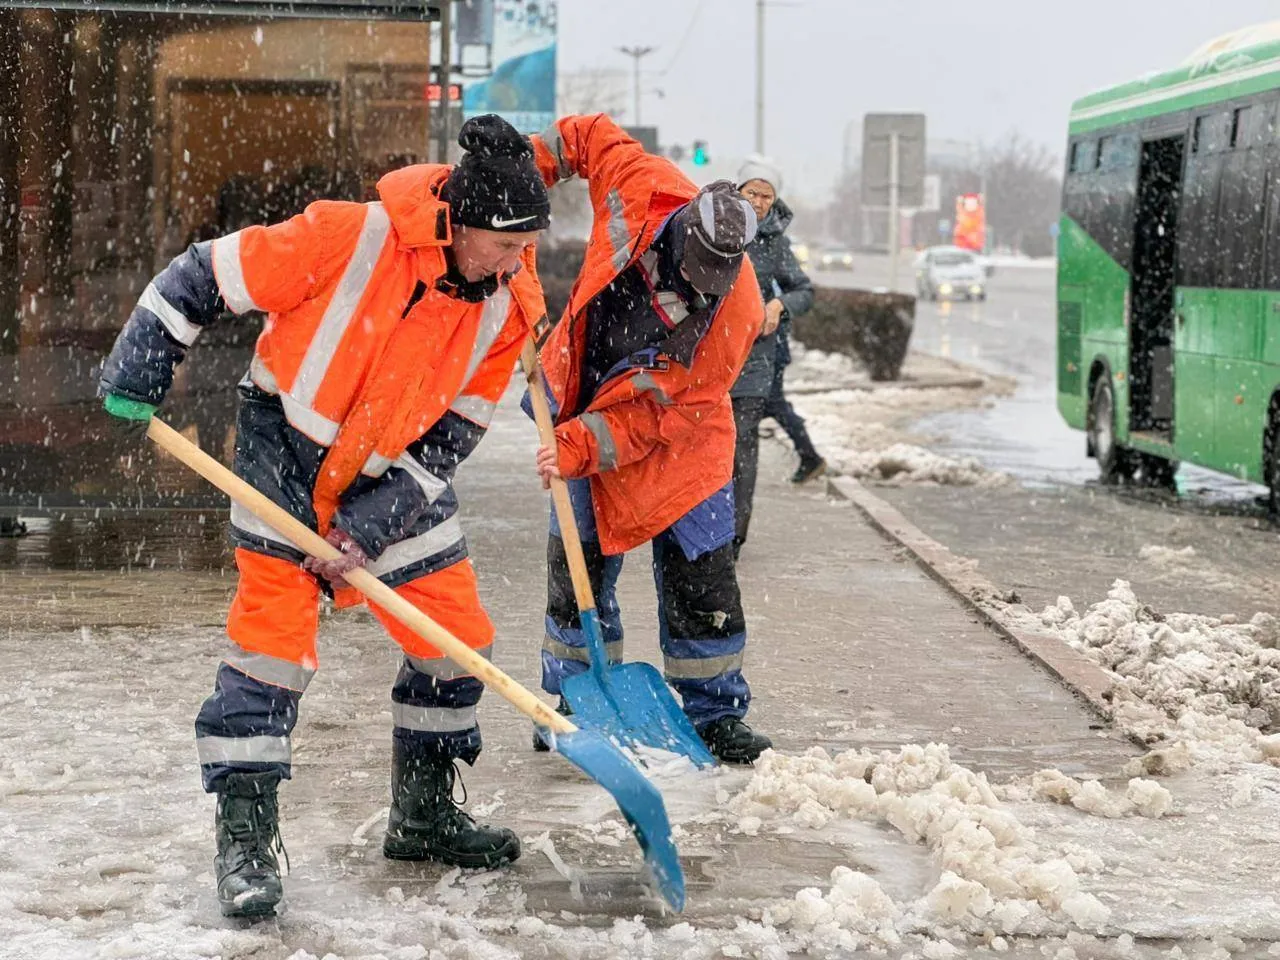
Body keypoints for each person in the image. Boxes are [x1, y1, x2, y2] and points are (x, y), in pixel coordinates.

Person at [98, 115, 551, 919]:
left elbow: (459, 428)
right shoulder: (347, 237)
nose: (518, 264)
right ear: (460, 223)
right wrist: (142, 364)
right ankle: (245, 840)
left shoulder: (507, 300)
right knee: (272, 654)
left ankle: (421, 814)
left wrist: (373, 523)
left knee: (458, 644)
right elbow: (200, 276)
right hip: (287, 456)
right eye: (505, 246)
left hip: (399, 478)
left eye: (525, 249)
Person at [525, 113, 773, 765]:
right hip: (575, 401)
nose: (697, 288)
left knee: (704, 579)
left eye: (711, 280)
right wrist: (523, 176)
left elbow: (656, 419)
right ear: (684, 223)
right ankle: (575, 700)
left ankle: (715, 712)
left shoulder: (733, 316)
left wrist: (579, 446)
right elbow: (582, 136)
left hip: (679, 446)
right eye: (692, 270)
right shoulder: (645, 183)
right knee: (575, 570)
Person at [730, 155, 817, 556]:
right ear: (739, 191)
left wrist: (778, 306)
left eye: (768, 195)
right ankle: (700, 527)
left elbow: (803, 290)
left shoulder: (776, 243)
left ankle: (733, 535)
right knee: (706, 446)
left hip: (754, 361)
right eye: (753, 192)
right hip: (711, 360)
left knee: (743, 445)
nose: (761, 201)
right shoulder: (717, 229)